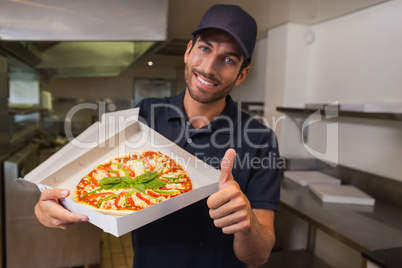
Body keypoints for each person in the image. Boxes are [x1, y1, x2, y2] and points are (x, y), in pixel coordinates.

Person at [35, 4, 282, 268]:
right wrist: (49, 207)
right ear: (188, 51)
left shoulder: (260, 140)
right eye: (205, 48)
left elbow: (258, 256)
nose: (209, 67)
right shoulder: (144, 114)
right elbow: (95, 181)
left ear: (241, 74)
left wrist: (246, 224)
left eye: (229, 59)